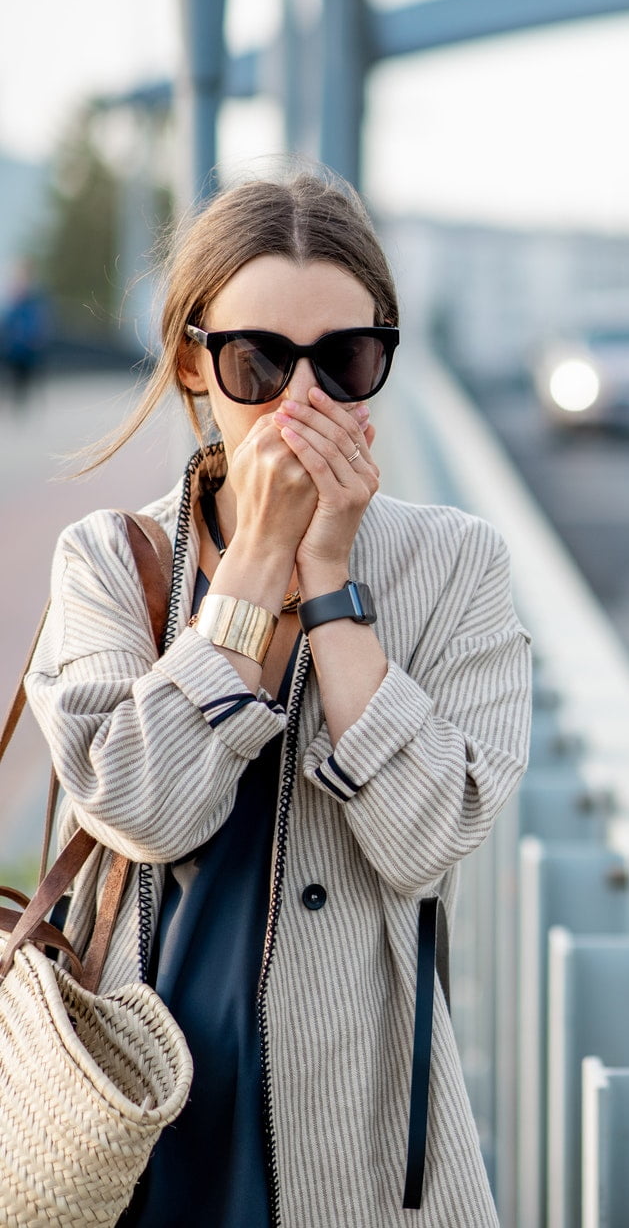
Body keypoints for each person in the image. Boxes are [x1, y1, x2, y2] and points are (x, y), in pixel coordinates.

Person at [24, 169, 532, 1226]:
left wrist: (334, 587)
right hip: (129, 1103)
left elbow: (429, 837)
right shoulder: (109, 565)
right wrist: (253, 568)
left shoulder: (457, 566)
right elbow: (141, 810)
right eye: (258, 363)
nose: (303, 404)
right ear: (192, 364)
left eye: (344, 362)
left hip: (361, 1132)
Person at [2, 263, 50, 410]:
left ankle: (23, 403)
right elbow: (6, 323)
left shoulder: (34, 301)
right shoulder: (13, 302)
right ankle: (16, 402)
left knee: (26, 378)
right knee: (14, 377)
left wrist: (37, 338)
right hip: (14, 349)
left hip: (28, 350)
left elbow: (39, 323)